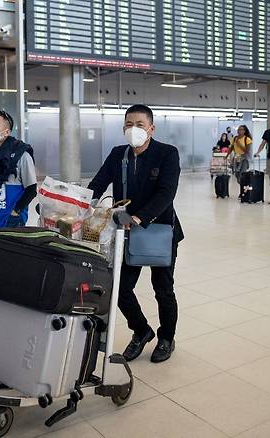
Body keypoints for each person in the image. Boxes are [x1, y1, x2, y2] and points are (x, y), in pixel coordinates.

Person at [88, 104, 183, 364]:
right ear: (123, 129)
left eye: (139, 124)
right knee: (119, 288)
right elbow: (97, 184)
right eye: (129, 124)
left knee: (163, 289)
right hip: (126, 233)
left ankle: (166, 337)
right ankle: (141, 331)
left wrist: (141, 217)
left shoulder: (167, 153)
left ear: (151, 128)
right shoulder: (118, 154)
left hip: (159, 232)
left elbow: (166, 192)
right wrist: (81, 203)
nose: (134, 129)